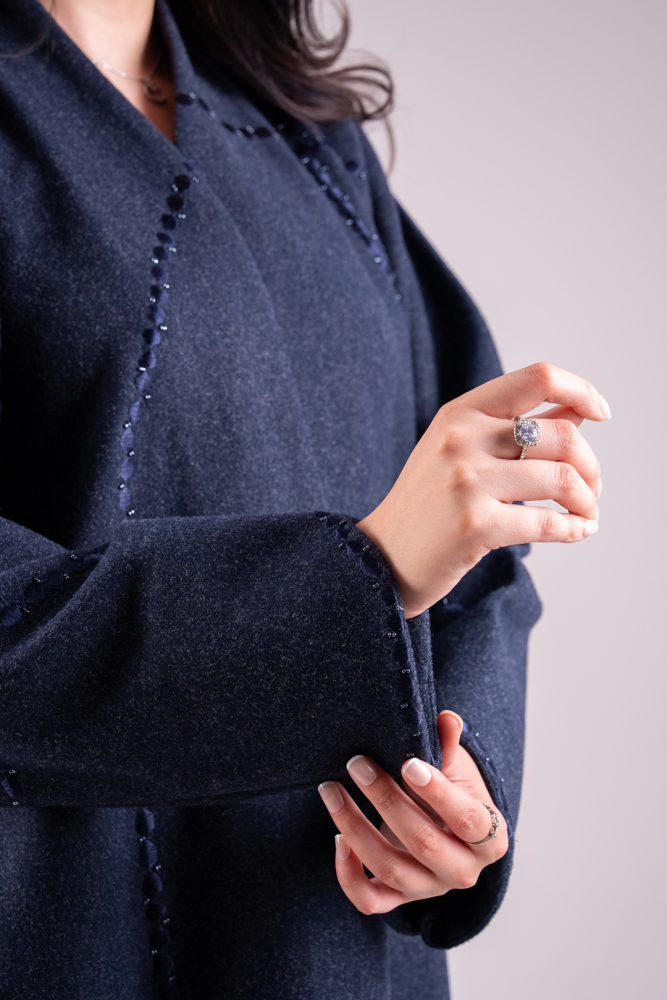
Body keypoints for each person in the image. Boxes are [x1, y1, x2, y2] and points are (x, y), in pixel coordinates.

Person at [0, 1, 608, 997]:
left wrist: (456, 787)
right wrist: (359, 577)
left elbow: (471, 548)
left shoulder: (306, 136)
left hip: (336, 947)